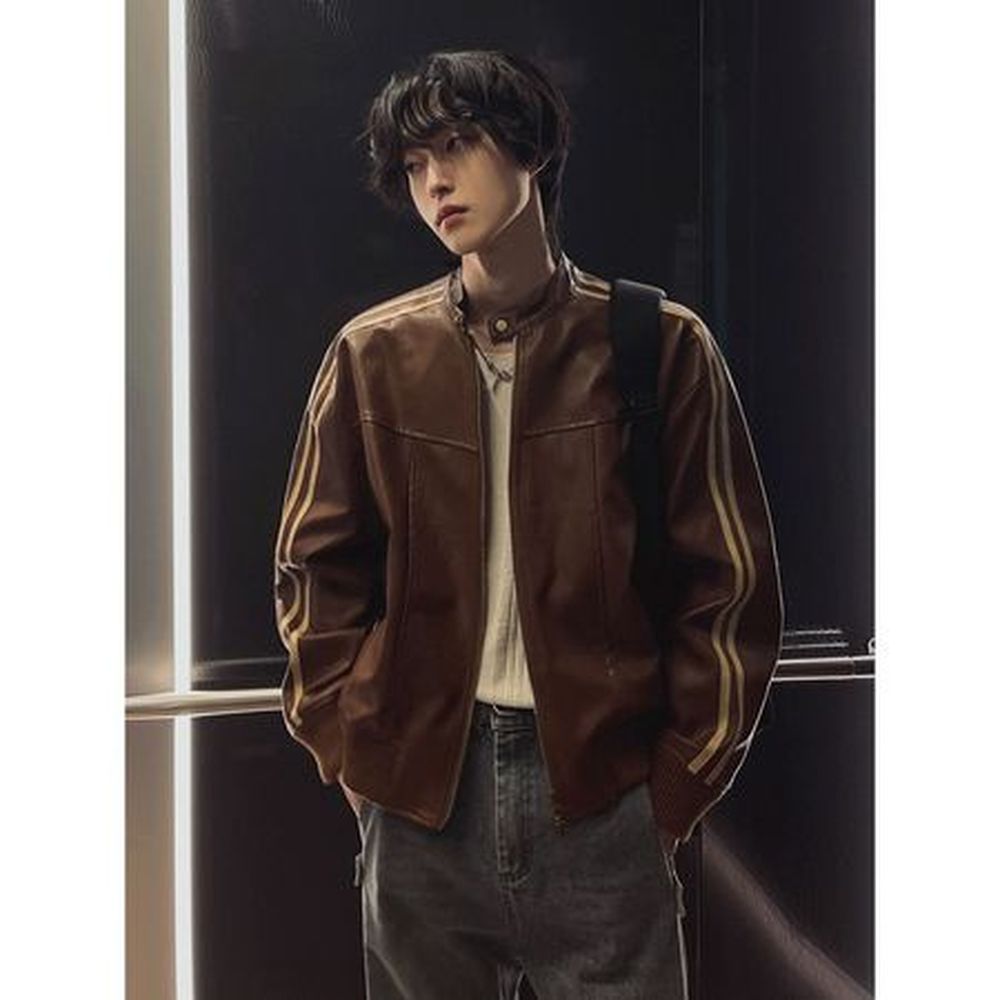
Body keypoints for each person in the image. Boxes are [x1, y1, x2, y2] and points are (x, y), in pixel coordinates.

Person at [274, 48, 784, 1000]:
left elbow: (732, 586)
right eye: (413, 163)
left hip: (600, 793)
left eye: (456, 146)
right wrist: (351, 756)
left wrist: (674, 786)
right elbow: (313, 571)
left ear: (532, 148)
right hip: (420, 800)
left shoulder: (659, 346)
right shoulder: (372, 355)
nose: (434, 181)